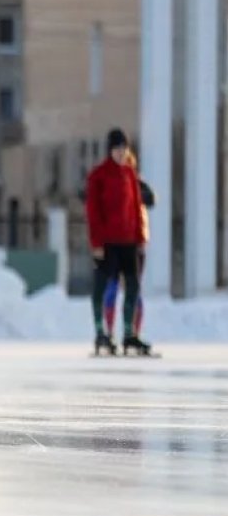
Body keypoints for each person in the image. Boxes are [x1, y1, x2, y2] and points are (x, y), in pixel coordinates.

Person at [85, 127, 153, 356]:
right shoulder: (98, 176)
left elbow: (136, 208)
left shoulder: (130, 174)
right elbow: (93, 211)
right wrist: (97, 243)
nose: (121, 152)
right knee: (102, 287)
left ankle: (129, 334)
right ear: (110, 150)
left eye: (124, 148)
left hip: (129, 242)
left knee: (133, 286)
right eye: (117, 148)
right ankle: (101, 332)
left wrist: (140, 237)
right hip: (108, 242)